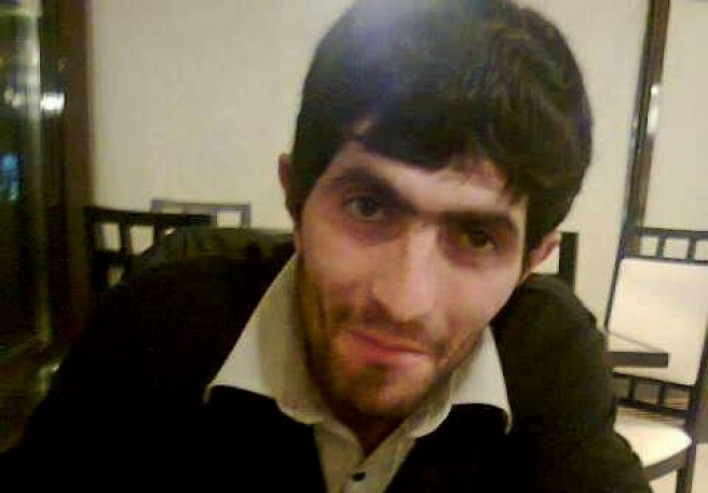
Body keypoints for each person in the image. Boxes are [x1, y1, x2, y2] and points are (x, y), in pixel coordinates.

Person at [3, 0, 650, 491]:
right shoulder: (154, 327)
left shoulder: (547, 353)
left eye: (477, 237)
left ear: (532, 261)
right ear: (295, 198)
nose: (403, 300)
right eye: (368, 206)